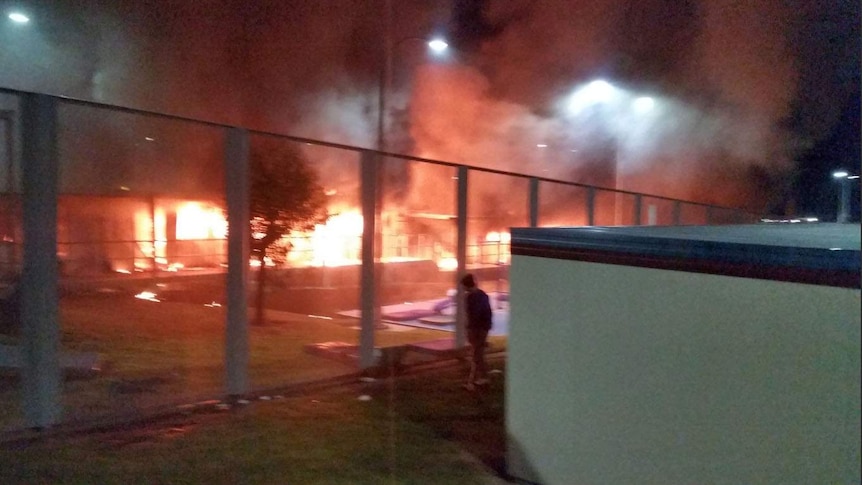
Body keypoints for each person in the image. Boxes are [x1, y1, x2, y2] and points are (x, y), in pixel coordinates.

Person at [461, 273, 492, 391]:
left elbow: (473, 315)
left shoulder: (470, 298)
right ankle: (479, 378)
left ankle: (481, 379)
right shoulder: (483, 295)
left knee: (477, 354)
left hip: (478, 329)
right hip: (483, 328)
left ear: (466, 286)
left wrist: (469, 329)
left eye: (464, 286)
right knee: (477, 354)